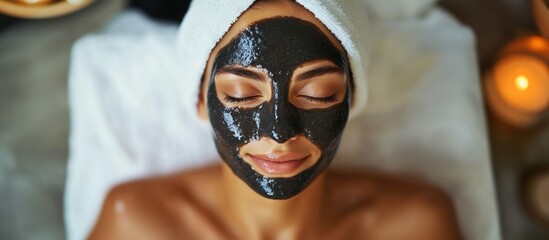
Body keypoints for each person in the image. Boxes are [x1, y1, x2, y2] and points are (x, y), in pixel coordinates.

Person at [89, 0, 462, 239]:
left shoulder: (415, 227)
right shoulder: (136, 225)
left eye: (317, 94)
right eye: (241, 95)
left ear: (352, 98)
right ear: (200, 101)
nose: (280, 131)